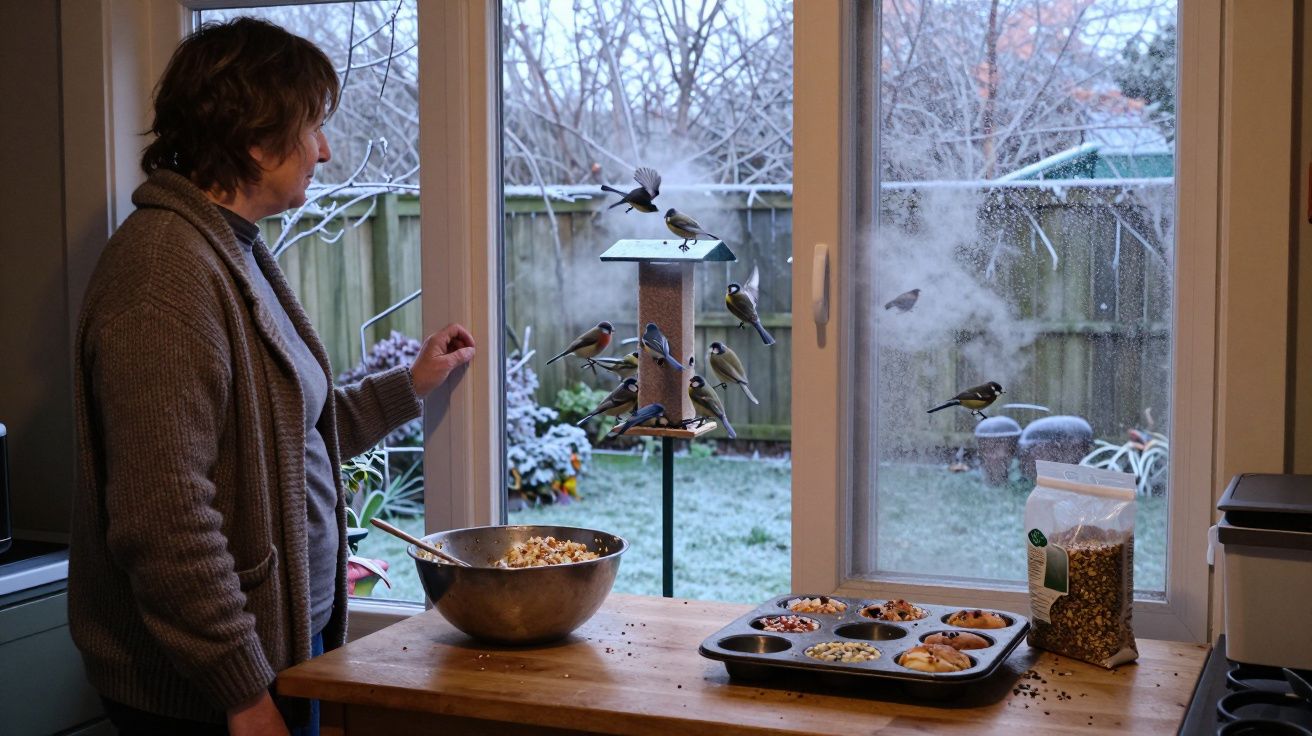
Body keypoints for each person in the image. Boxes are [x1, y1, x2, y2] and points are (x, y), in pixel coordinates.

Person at [67, 18, 475, 735]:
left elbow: (281, 438)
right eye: (312, 126)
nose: (325, 149)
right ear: (256, 141)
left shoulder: (231, 249)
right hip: (209, 690)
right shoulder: (162, 275)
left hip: (275, 653)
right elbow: (164, 519)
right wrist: (243, 693)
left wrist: (410, 385)